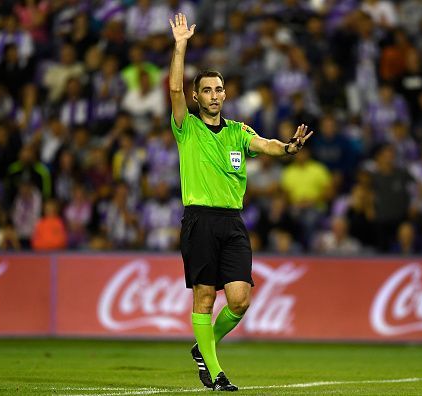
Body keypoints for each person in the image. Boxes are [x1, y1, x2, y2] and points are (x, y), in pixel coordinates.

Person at [168, 13, 313, 391]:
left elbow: (267, 146)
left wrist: (290, 147)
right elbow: (173, 91)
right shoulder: (187, 129)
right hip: (199, 219)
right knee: (203, 296)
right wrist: (181, 46)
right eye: (208, 90)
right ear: (196, 96)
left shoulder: (237, 132)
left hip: (232, 223)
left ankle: (204, 347)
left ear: (224, 95)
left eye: (219, 90)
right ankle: (215, 374)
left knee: (239, 300)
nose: (214, 95)